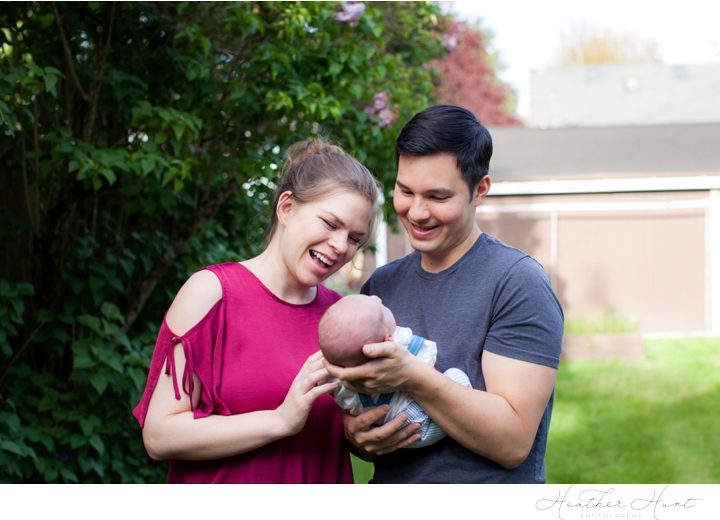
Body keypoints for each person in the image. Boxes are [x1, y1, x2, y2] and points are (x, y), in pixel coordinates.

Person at [324, 105, 564, 483]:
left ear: (479, 190)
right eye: (405, 191)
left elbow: (513, 443)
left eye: (437, 196)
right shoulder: (379, 289)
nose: (416, 212)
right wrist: (355, 435)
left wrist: (412, 376)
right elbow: (358, 418)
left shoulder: (517, 283)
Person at [132, 138, 382, 483]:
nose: (341, 246)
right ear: (287, 207)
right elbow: (159, 435)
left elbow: (349, 435)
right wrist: (279, 420)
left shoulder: (341, 318)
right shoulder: (213, 293)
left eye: (355, 238)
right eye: (329, 223)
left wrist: (365, 434)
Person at [317, 294, 470, 448]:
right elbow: (429, 359)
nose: (378, 299)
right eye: (382, 312)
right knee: (457, 375)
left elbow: (341, 402)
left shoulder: (342, 379)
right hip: (414, 423)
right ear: (386, 341)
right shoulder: (400, 343)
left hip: (384, 425)